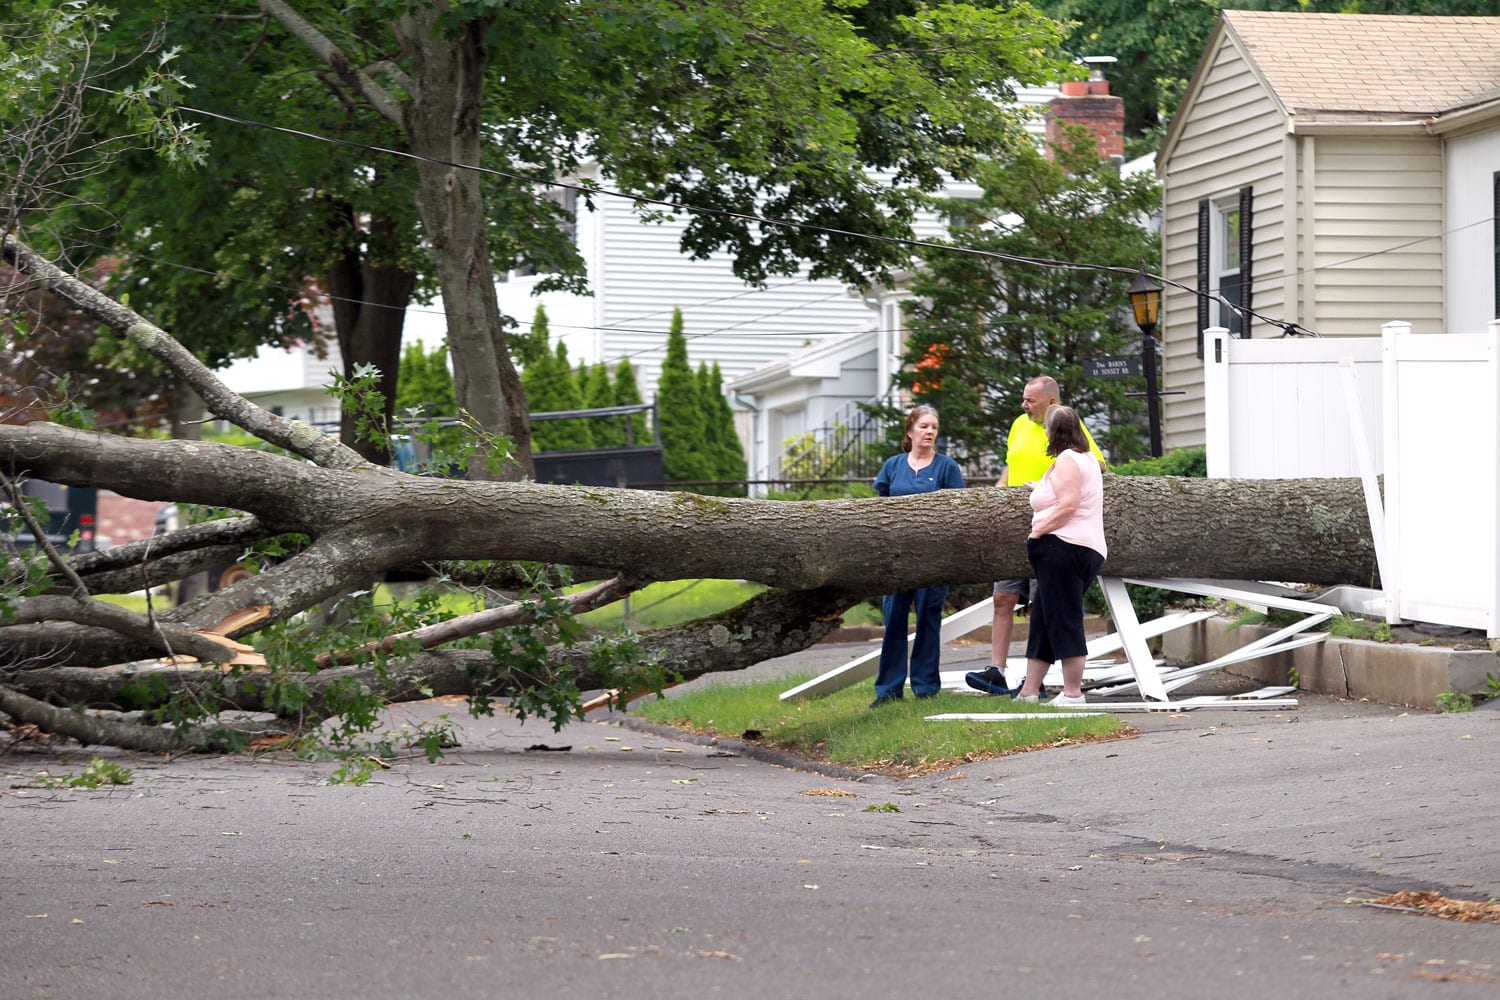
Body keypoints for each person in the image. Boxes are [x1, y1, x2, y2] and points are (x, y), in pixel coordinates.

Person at [965, 375, 1104, 696]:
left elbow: (1091, 470)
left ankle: (1069, 691)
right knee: (1010, 600)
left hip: (1058, 539)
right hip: (1024, 527)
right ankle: (1013, 680)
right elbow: (1011, 464)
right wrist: (1006, 490)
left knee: (1054, 609)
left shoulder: (1071, 444)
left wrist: (1040, 528)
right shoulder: (1019, 425)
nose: (1024, 405)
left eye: (1030, 400)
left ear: (1051, 404)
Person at [870, 404, 966, 708]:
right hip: (896, 559)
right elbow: (879, 509)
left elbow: (958, 511)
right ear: (910, 431)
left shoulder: (946, 467)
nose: (929, 432)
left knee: (928, 619)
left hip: (933, 559)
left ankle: (925, 688)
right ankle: (888, 690)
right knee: (894, 620)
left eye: (934, 428)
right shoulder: (893, 465)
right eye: (924, 426)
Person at [1012, 405, 1107, 707]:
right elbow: (1063, 493)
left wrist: (1038, 532)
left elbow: (1068, 505)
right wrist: (1038, 487)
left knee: (1064, 617)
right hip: (1082, 548)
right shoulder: (1086, 459)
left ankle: (1072, 693)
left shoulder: (1067, 460)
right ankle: (1029, 690)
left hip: (1064, 548)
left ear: (1052, 431)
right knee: (1043, 617)